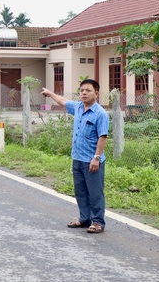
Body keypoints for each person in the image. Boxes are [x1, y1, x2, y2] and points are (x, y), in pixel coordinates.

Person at [41, 79, 109, 233]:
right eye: (82, 90)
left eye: (88, 90)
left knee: (95, 192)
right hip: (77, 158)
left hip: (92, 160)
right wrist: (50, 93)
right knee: (81, 191)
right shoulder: (78, 107)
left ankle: (98, 222)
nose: (84, 93)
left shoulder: (100, 114)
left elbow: (102, 137)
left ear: (96, 93)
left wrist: (96, 158)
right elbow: (64, 101)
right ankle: (85, 218)